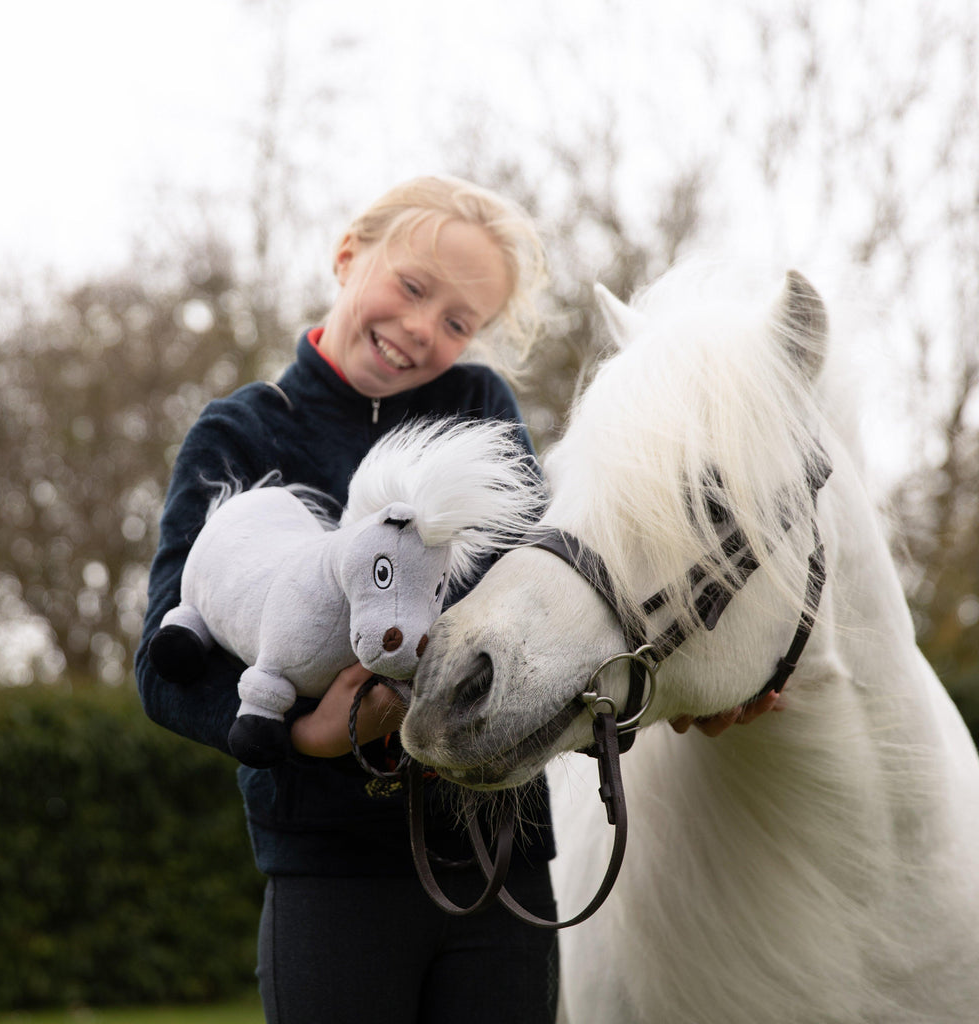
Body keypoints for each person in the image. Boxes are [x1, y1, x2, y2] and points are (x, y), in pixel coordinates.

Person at [135, 174, 780, 1024]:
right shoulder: (242, 433)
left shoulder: (481, 408)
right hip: (330, 870)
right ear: (348, 256)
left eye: (457, 322)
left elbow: (556, 617)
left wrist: (678, 689)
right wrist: (306, 735)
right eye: (411, 287)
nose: (419, 330)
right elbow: (165, 670)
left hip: (497, 860)